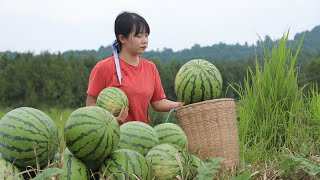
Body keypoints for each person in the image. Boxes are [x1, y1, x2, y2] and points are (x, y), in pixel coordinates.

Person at [86, 11, 184, 124]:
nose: (144, 40)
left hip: (143, 135)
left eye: (146, 35)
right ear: (122, 38)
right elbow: (90, 105)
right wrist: (111, 121)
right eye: (139, 36)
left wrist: (179, 105)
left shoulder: (150, 67)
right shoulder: (103, 68)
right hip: (114, 136)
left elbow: (158, 102)